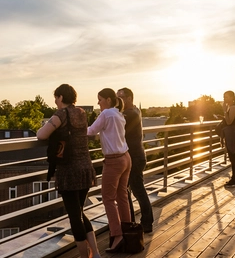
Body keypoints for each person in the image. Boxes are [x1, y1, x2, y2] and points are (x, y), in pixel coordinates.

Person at [37, 84, 100, 258]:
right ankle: (95, 252)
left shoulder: (60, 115)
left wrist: (41, 128)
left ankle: (83, 255)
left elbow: (41, 135)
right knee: (79, 212)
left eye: (56, 98)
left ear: (61, 98)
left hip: (69, 171)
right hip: (85, 167)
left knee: (74, 216)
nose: (55, 101)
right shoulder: (81, 113)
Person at [87, 88, 132, 253]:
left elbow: (91, 131)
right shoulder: (119, 114)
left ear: (107, 99)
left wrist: (74, 132)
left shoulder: (106, 114)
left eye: (99, 99)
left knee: (107, 199)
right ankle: (127, 232)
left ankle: (117, 236)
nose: (98, 103)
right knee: (122, 197)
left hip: (114, 161)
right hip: (126, 158)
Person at [117, 87, 154, 233]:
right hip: (136, 155)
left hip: (134, 157)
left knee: (134, 190)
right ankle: (136, 221)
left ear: (129, 98)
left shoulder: (129, 114)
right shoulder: (136, 111)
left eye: (120, 97)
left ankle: (142, 223)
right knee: (131, 189)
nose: (118, 101)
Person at [222, 90, 235, 188]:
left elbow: (229, 122)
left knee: (233, 157)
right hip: (231, 132)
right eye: (223, 97)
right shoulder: (233, 107)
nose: (224, 99)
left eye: (226, 97)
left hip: (231, 133)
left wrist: (225, 111)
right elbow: (229, 120)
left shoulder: (233, 107)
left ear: (232, 97)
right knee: (233, 156)